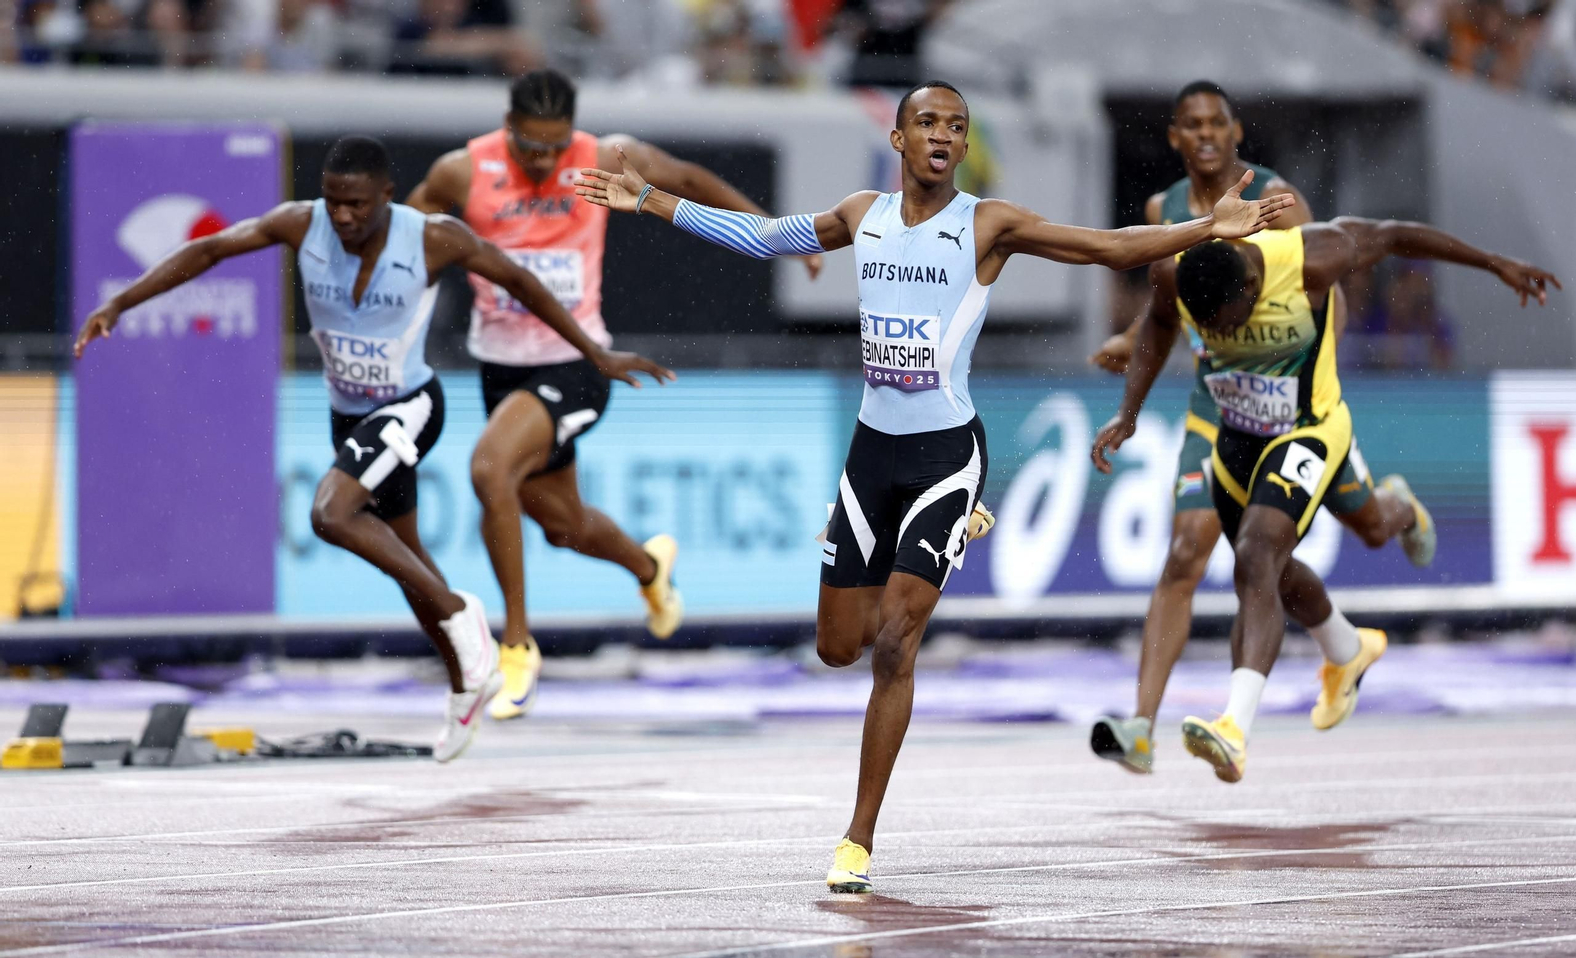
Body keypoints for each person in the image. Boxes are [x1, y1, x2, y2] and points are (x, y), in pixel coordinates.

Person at [576, 80, 1294, 890]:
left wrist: (1206, 227)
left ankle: (856, 839)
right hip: (871, 454)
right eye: (928, 123)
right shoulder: (862, 215)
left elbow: (1106, 246)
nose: (943, 136)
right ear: (899, 140)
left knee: (894, 642)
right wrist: (651, 201)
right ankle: (933, 532)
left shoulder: (988, 224)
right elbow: (764, 236)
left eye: (956, 125)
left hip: (947, 453)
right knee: (837, 645)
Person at [74, 136, 669, 762]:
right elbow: (212, 248)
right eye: (334, 203)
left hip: (409, 408)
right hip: (349, 416)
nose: (344, 217)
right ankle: (467, 682)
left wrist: (594, 351)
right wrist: (121, 301)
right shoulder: (301, 224)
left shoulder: (434, 237)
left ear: (386, 196)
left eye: (357, 204)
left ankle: (460, 611)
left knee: (331, 514)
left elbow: (521, 282)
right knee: (405, 559)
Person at [406, 69, 823, 721]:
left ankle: (516, 646)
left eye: (555, 145)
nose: (544, 161)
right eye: (530, 146)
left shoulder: (605, 158)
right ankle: (649, 568)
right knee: (563, 524)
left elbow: (687, 181)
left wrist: (777, 235)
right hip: (501, 369)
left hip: (579, 360)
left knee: (490, 468)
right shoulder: (464, 170)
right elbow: (407, 232)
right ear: (506, 127)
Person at [1090, 214, 1558, 783]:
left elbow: (1394, 235)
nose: (1213, 338)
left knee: (1257, 555)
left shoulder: (1313, 258)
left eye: (1224, 324)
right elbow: (1160, 324)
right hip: (1236, 439)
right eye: (1205, 328)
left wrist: (1494, 262)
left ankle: (1234, 730)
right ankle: (1347, 647)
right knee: (1285, 563)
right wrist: (1129, 412)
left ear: (1252, 290)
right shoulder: (1175, 271)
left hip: (1311, 430)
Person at [1087, 80, 1432, 775]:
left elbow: (1313, 292)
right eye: (1193, 124)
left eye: (1218, 122)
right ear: (1177, 138)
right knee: (1193, 551)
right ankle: (1142, 729)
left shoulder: (1280, 203)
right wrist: (1132, 340)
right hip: (1216, 408)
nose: (1207, 134)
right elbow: (1170, 300)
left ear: (1236, 131)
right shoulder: (1163, 209)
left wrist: (1312, 388)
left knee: (1356, 528)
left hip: (1298, 406)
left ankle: (1388, 529)